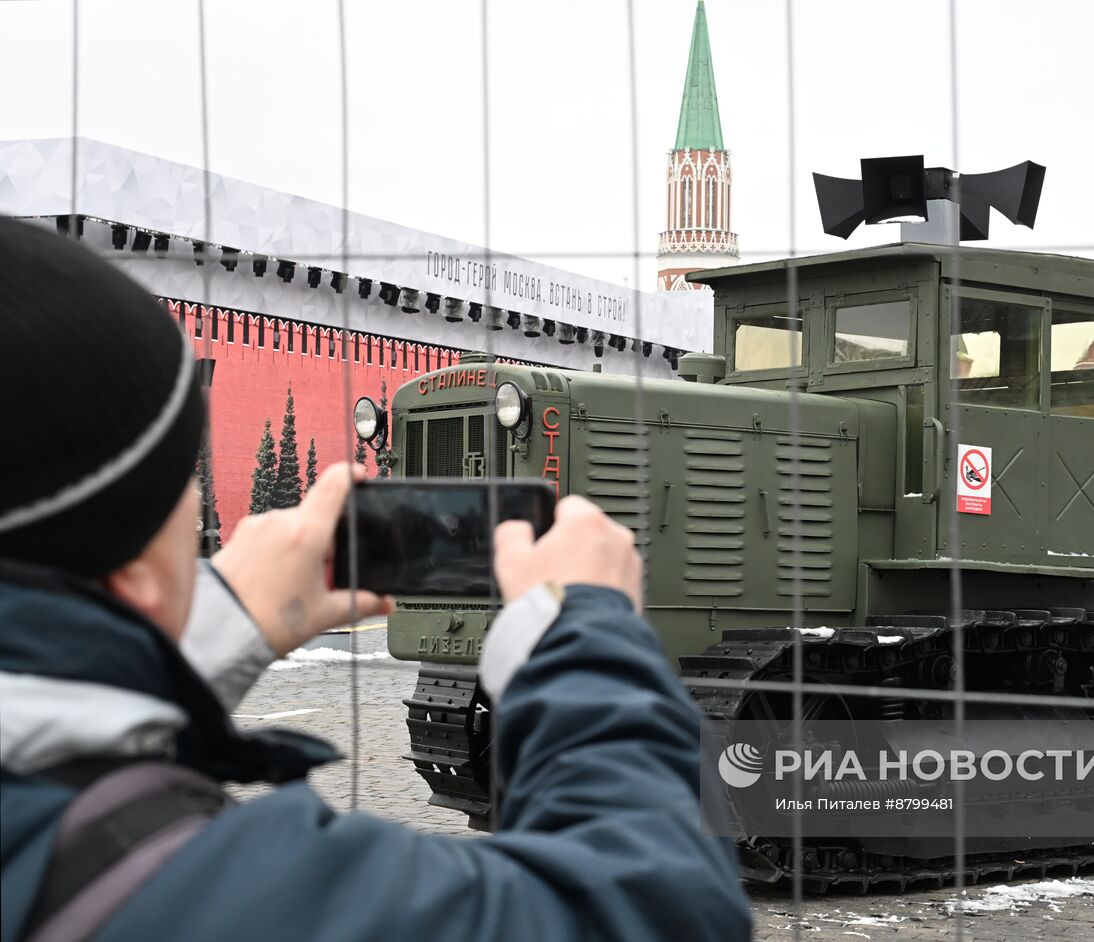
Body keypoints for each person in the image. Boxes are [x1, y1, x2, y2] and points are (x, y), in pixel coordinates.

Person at [0, 216, 750, 941]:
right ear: (139, 573)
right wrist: (590, 640)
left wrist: (199, 631)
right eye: (183, 493)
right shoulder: (191, 887)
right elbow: (657, 907)